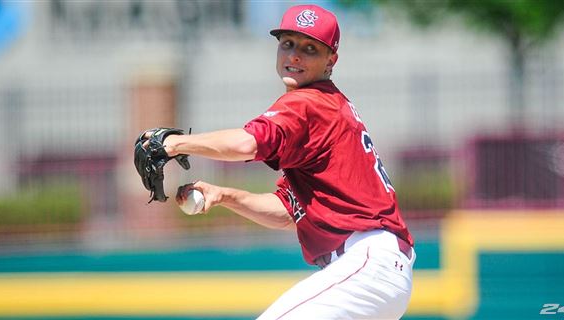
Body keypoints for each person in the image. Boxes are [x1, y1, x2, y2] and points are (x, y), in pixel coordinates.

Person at [153, 4, 415, 319]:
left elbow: (247, 144)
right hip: (376, 272)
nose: (294, 56)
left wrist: (173, 144)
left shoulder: (308, 103)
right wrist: (224, 196)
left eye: (309, 48)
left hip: (365, 263)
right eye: (287, 43)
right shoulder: (328, 107)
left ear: (331, 60)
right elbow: (287, 211)